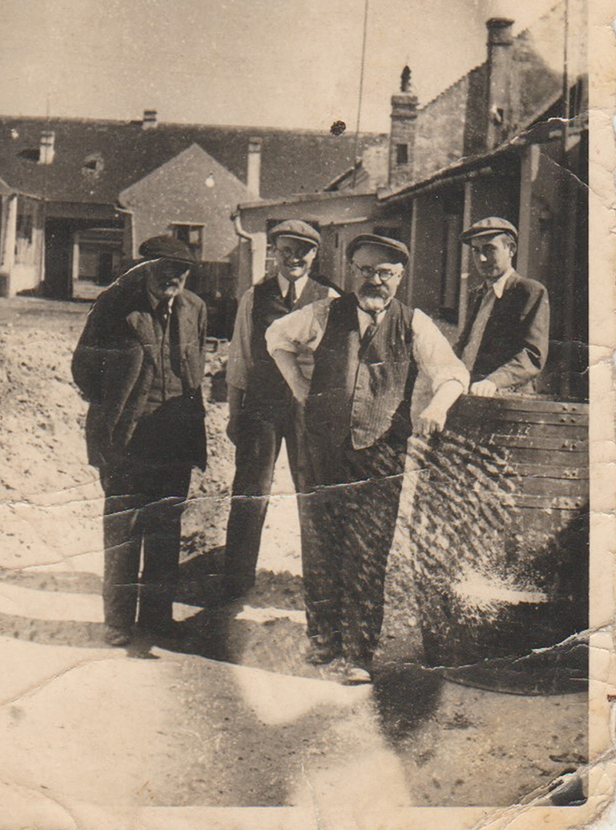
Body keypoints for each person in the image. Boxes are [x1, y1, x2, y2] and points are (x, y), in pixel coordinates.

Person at [266, 234, 469, 683]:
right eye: (365, 271)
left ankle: (358, 654)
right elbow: (275, 337)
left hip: (381, 451)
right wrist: (299, 387)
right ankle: (322, 639)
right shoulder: (323, 313)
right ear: (352, 271)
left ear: (400, 277)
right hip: (322, 447)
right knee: (320, 540)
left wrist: (437, 406)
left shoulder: (414, 324)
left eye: (386, 273)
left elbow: (453, 372)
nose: (375, 281)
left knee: (368, 549)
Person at [71, 235, 207, 647]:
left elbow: (195, 367)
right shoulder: (115, 308)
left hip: (176, 436)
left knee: (166, 530)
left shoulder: (195, 309)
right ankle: (118, 622)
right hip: (128, 438)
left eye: (181, 270)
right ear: (145, 267)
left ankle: (158, 618)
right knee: (124, 530)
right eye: (165, 268)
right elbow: (83, 369)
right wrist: (117, 402)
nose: (174, 277)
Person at [223, 220, 337, 599]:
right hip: (262, 406)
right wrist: (234, 412)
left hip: (310, 410)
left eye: (303, 251)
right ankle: (237, 580)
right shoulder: (253, 298)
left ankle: (319, 582)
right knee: (251, 490)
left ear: (314, 255)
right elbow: (239, 357)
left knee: (314, 492)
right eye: (286, 250)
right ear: (274, 251)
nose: (294, 258)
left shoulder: (329, 299)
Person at [457, 217, 549, 396]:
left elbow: (533, 355)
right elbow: (467, 344)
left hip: (508, 397)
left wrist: (494, 381)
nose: (482, 258)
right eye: (476, 250)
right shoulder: (477, 294)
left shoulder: (529, 292)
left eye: (490, 249)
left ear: (511, 249)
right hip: (470, 393)